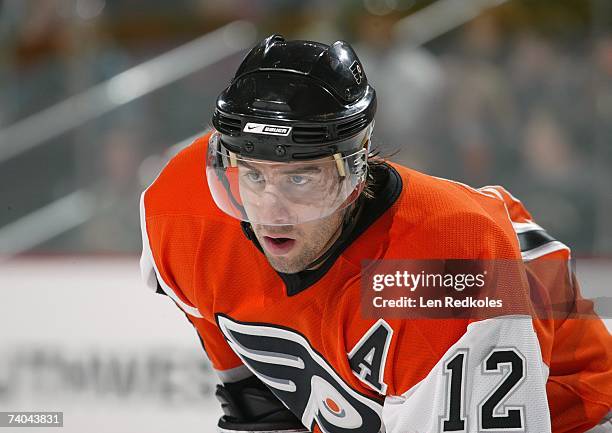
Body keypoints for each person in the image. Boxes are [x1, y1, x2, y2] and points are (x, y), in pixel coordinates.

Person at [139, 35, 612, 433]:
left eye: (300, 178)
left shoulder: (444, 269)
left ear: (356, 168)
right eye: (254, 175)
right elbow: (244, 377)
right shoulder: (185, 208)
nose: (271, 211)